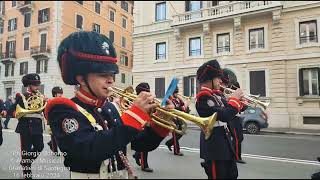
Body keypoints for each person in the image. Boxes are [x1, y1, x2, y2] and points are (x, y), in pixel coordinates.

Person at [44, 31, 171, 179]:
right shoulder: (63, 109)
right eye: (103, 74)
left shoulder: (110, 107)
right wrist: (135, 116)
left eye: (112, 74)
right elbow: (88, 150)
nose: (110, 80)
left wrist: (160, 125)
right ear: (81, 79)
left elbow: (139, 145)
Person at [195, 60, 244, 179]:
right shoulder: (203, 99)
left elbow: (229, 109)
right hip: (214, 148)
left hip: (225, 145)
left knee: (232, 175)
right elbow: (225, 115)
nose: (221, 81)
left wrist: (239, 102)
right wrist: (235, 100)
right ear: (209, 79)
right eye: (218, 78)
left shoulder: (215, 96)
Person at [13, 73, 46, 179]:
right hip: (25, 127)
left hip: (37, 126)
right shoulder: (22, 97)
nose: (37, 86)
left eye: (38, 84)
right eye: (34, 84)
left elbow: (44, 111)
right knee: (25, 151)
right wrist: (13, 113)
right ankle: (27, 173)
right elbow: (14, 110)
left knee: (40, 147)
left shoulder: (41, 97)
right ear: (29, 85)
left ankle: (25, 162)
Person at [221, 69, 246, 164]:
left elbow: (241, 109)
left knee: (239, 138)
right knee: (236, 138)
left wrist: (245, 104)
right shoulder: (228, 96)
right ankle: (236, 157)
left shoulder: (236, 97)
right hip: (232, 118)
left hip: (237, 118)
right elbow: (231, 107)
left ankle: (233, 155)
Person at [132, 82, 154, 172]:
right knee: (144, 145)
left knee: (147, 143)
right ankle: (144, 165)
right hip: (139, 125)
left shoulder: (148, 100)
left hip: (148, 124)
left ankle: (137, 154)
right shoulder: (135, 100)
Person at [165, 87, 190, 156]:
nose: (176, 94)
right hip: (173, 118)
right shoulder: (168, 100)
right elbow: (174, 108)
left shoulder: (178, 100)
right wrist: (184, 106)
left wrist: (185, 102)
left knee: (181, 133)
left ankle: (169, 143)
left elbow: (185, 109)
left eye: (176, 92)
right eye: (175, 93)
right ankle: (176, 151)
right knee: (175, 135)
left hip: (179, 119)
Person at [47, 86, 64, 155]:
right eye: (58, 93)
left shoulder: (62, 100)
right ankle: (54, 150)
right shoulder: (51, 101)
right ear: (54, 94)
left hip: (61, 119)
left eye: (61, 93)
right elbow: (48, 111)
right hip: (53, 120)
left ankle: (51, 143)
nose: (60, 95)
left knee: (61, 135)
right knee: (54, 135)